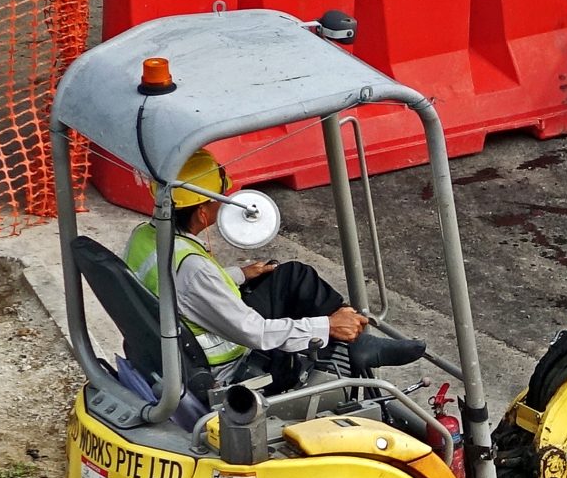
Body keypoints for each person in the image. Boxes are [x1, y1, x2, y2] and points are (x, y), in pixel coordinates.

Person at [125, 153, 420, 391]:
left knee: (291, 275)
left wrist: (240, 274)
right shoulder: (193, 268)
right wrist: (325, 326)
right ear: (202, 210)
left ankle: (354, 336)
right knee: (304, 315)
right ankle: (347, 334)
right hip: (226, 362)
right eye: (219, 197)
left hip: (182, 332)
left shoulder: (143, 237)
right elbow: (255, 332)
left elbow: (182, 290)